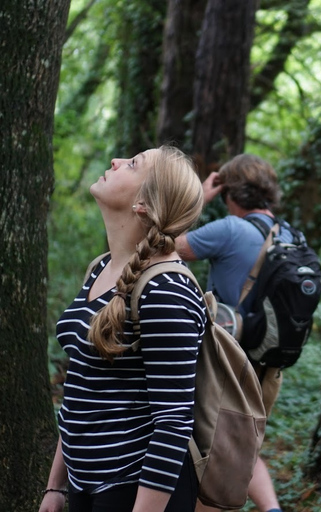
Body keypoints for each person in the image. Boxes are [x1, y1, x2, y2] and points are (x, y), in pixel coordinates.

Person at [40, 146, 207, 512]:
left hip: (135, 490)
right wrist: (57, 487)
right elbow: (81, 388)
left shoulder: (166, 290)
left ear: (144, 203)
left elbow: (172, 424)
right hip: (86, 486)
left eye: (132, 164)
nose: (115, 161)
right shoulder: (102, 268)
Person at [176, 154, 290, 512]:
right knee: (245, 444)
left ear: (230, 192)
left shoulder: (228, 229)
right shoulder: (289, 235)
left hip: (225, 367)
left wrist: (200, 197)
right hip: (268, 369)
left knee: (212, 453)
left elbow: (163, 245)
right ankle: (272, 509)